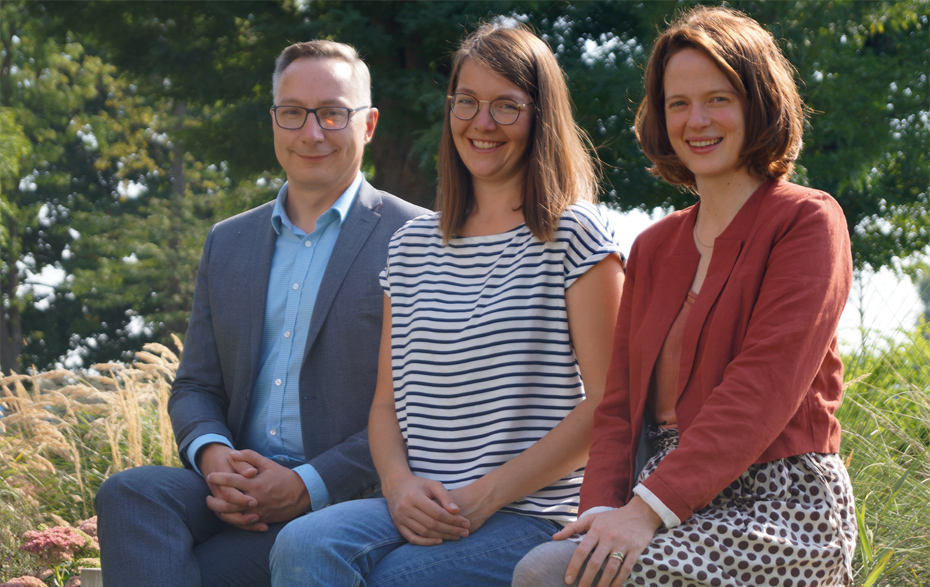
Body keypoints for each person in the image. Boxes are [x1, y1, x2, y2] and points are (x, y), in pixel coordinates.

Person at [269, 23, 625, 587]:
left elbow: (610, 403)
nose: (482, 123)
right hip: (421, 500)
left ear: (541, 116)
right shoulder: (411, 245)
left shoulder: (574, 234)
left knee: (402, 578)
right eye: (468, 102)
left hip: (533, 513)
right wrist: (398, 485)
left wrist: (486, 496)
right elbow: (386, 405)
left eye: (507, 106)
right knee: (303, 544)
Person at [513, 6, 857, 587]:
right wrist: (600, 512)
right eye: (678, 103)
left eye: (719, 99)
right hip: (659, 490)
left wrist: (645, 511)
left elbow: (762, 388)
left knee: (549, 575)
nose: (696, 120)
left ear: (758, 102)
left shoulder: (807, 221)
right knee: (559, 561)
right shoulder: (652, 246)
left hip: (780, 502)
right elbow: (619, 406)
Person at [95, 40, 427, 587]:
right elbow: (196, 384)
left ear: (367, 125)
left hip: (346, 502)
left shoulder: (417, 239)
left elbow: (421, 409)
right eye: (293, 113)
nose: (311, 132)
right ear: (274, 121)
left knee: (194, 572)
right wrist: (215, 458)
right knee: (130, 493)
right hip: (230, 490)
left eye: (332, 113)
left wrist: (305, 485)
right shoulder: (227, 243)